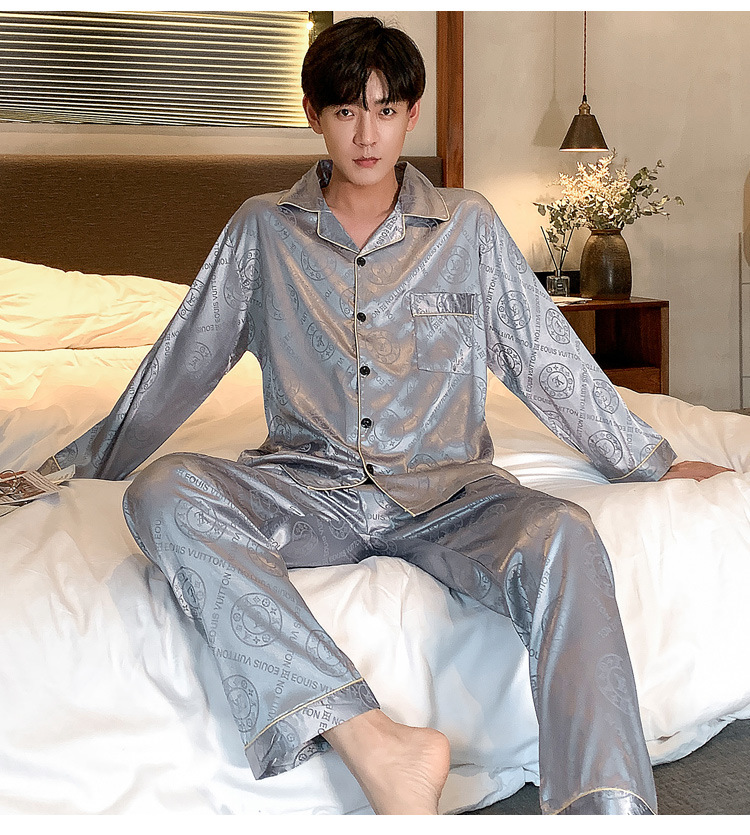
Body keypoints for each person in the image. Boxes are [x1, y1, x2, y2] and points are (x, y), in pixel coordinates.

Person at [38, 16, 730, 816]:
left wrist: (647, 459)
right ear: (313, 114)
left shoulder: (468, 226)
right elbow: (181, 362)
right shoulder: (263, 229)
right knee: (162, 492)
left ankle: (603, 815)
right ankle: (373, 738)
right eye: (346, 111)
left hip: (452, 495)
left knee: (566, 534)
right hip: (310, 489)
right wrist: (67, 470)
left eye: (386, 110)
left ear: (412, 113)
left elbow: (544, 355)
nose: (367, 135)